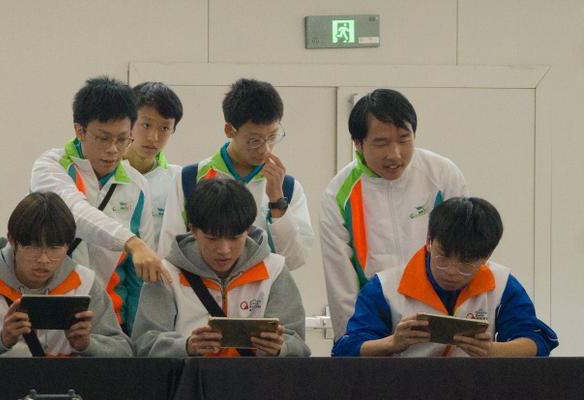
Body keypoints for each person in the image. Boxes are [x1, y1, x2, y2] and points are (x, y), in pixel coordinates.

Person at [320, 89, 469, 331]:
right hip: (376, 317)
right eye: (381, 143)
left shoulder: (442, 175)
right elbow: (341, 283)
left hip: (440, 310)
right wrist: (351, 345)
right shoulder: (338, 193)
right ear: (358, 144)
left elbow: (466, 251)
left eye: (403, 139)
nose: (395, 154)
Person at [332, 197, 556, 358]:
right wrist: (392, 343)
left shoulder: (503, 284)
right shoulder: (384, 287)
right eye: (443, 257)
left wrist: (493, 351)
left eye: (466, 263)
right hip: (403, 398)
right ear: (430, 241)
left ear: (487, 256)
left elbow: (536, 341)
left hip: (475, 397)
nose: (451, 271)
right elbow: (346, 348)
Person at [29, 76, 160, 331]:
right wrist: (131, 241)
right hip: (53, 318)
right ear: (80, 130)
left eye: (123, 139)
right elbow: (75, 212)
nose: (113, 149)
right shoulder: (51, 167)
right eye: (103, 138)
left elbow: (138, 277)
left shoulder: (137, 185)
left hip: (111, 322)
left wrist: (137, 334)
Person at [0, 192, 131, 358]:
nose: (44, 259)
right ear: (12, 239)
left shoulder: (85, 282)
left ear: (68, 244)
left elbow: (124, 351)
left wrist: (88, 345)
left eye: (54, 247)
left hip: (64, 396)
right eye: (33, 246)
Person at [132, 178, 309, 357]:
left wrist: (281, 348)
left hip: (257, 382)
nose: (224, 250)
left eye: (234, 238)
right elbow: (143, 344)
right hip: (190, 382)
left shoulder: (274, 270)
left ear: (248, 229)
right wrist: (185, 346)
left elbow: (299, 345)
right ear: (192, 229)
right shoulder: (166, 274)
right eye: (212, 238)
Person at [157, 78, 314, 272]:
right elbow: (170, 253)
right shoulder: (189, 179)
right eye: (254, 140)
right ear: (229, 130)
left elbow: (294, 260)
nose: (265, 149)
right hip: (200, 295)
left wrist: (277, 201)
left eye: (272, 137)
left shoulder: (287, 187)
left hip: (263, 296)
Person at [126, 81, 184, 250]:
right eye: (146, 125)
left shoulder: (179, 179)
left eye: (164, 128)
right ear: (128, 122)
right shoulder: (105, 173)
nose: (153, 137)